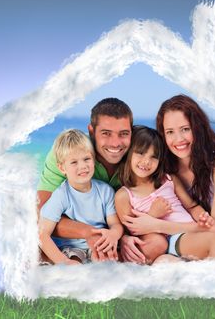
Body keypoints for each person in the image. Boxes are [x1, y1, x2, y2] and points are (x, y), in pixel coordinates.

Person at [37, 98, 167, 262]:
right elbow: (41, 215)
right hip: (75, 240)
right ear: (92, 131)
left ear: (131, 133)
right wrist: (88, 232)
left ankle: (108, 271)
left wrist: (121, 237)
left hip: (112, 236)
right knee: (30, 250)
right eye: (106, 133)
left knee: (157, 243)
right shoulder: (69, 153)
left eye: (123, 134)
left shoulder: (139, 158)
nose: (115, 143)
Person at [122, 95, 215, 257]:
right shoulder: (164, 170)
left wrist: (156, 225)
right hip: (189, 242)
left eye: (185, 129)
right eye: (170, 132)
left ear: (197, 128)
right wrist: (125, 238)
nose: (178, 139)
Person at [116, 126, 215, 263]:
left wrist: (203, 218)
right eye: (140, 153)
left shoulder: (169, 180)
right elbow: (132, 231)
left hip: (191, 233)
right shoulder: (124, 195)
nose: (146, 161)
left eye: (154, 157)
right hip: (174, 238)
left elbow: (191, 206)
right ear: (128, 153)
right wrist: (153, 214)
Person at [38, 129, 123, 264]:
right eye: (74, 162)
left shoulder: (105, 191)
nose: (82, 166)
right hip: (72, 248)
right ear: (62, 168)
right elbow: (42, 234)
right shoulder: (61, 195)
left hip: (100, 244)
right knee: (76, 267)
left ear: (93, 160)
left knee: (112, 264)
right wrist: (63, 261)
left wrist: (113, 234)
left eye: (86, 159)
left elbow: (116, 224)